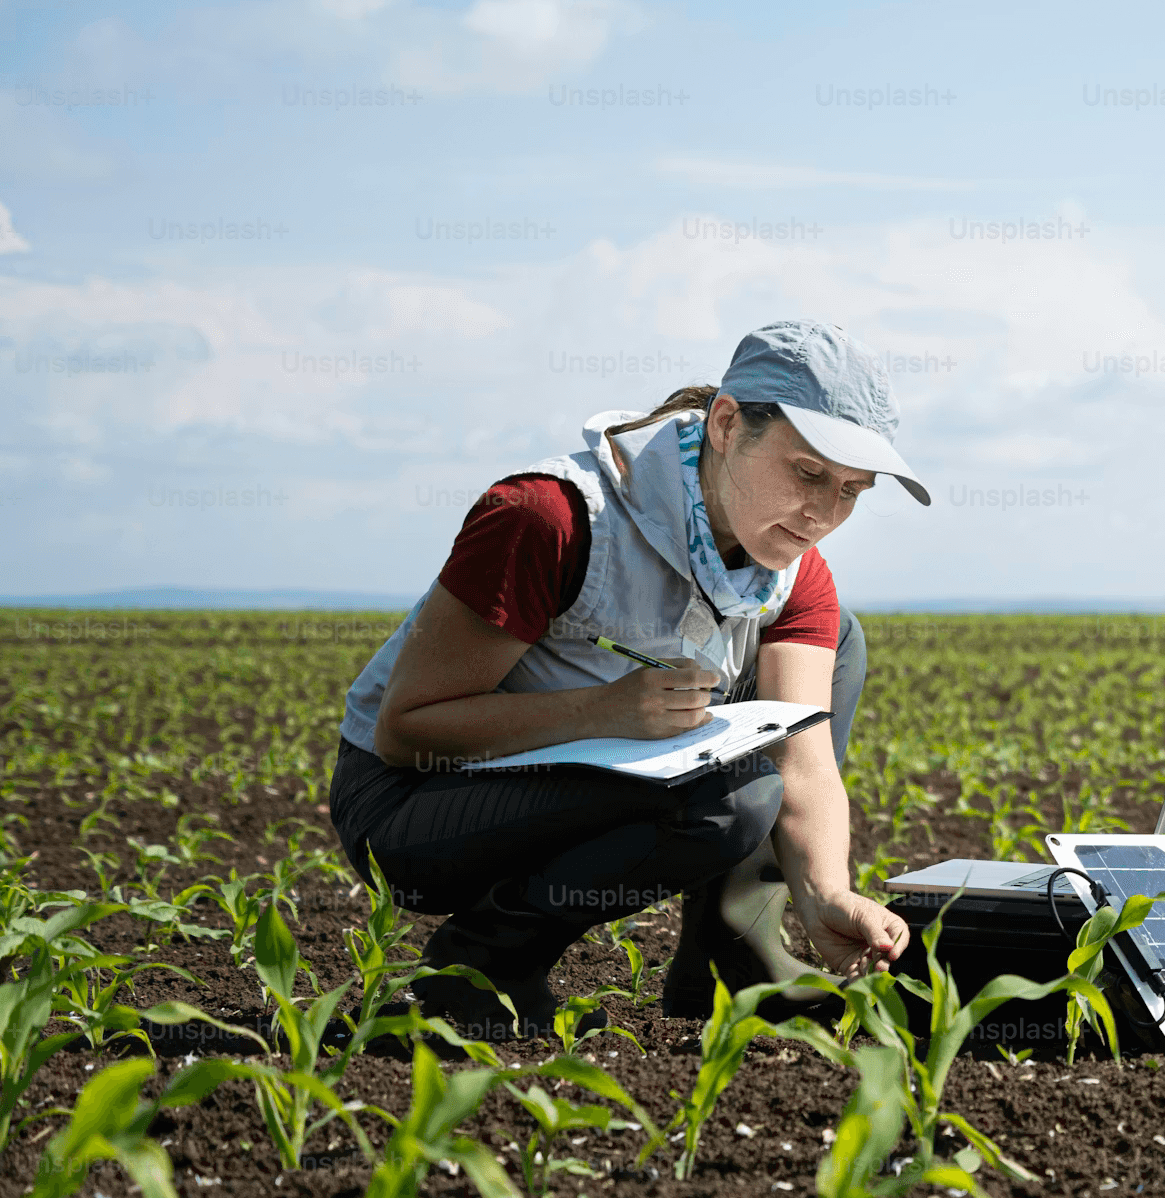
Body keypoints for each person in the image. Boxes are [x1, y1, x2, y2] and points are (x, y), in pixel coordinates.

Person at [328, 320, 923, 1039]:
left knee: (840, 646)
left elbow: (803, 761)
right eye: (807, 474)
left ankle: (736, 962)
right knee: (728, 802)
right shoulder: (547, 518)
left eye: (852, 490)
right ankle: (478, 974)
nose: (824, 514)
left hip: (579, 774)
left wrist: (828, 893)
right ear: (728, 425)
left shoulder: (795, 572)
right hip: (413, 808)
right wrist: (599, 711)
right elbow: (404, 731)